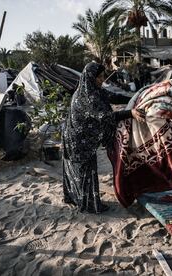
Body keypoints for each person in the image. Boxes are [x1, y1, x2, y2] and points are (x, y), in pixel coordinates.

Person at [62, 62, 145, 214]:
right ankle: (88, 204)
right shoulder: (86, 97)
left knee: (83, 171)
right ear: (90, 77)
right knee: (85, 171)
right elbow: (105, 116)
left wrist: (133, 98)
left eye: (102, 76)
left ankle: (77, 197)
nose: (102, 80)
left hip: (84, 138)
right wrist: (130, 113)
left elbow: (113, 96)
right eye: (98, 77)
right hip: (78, 140)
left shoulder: (95, 91)